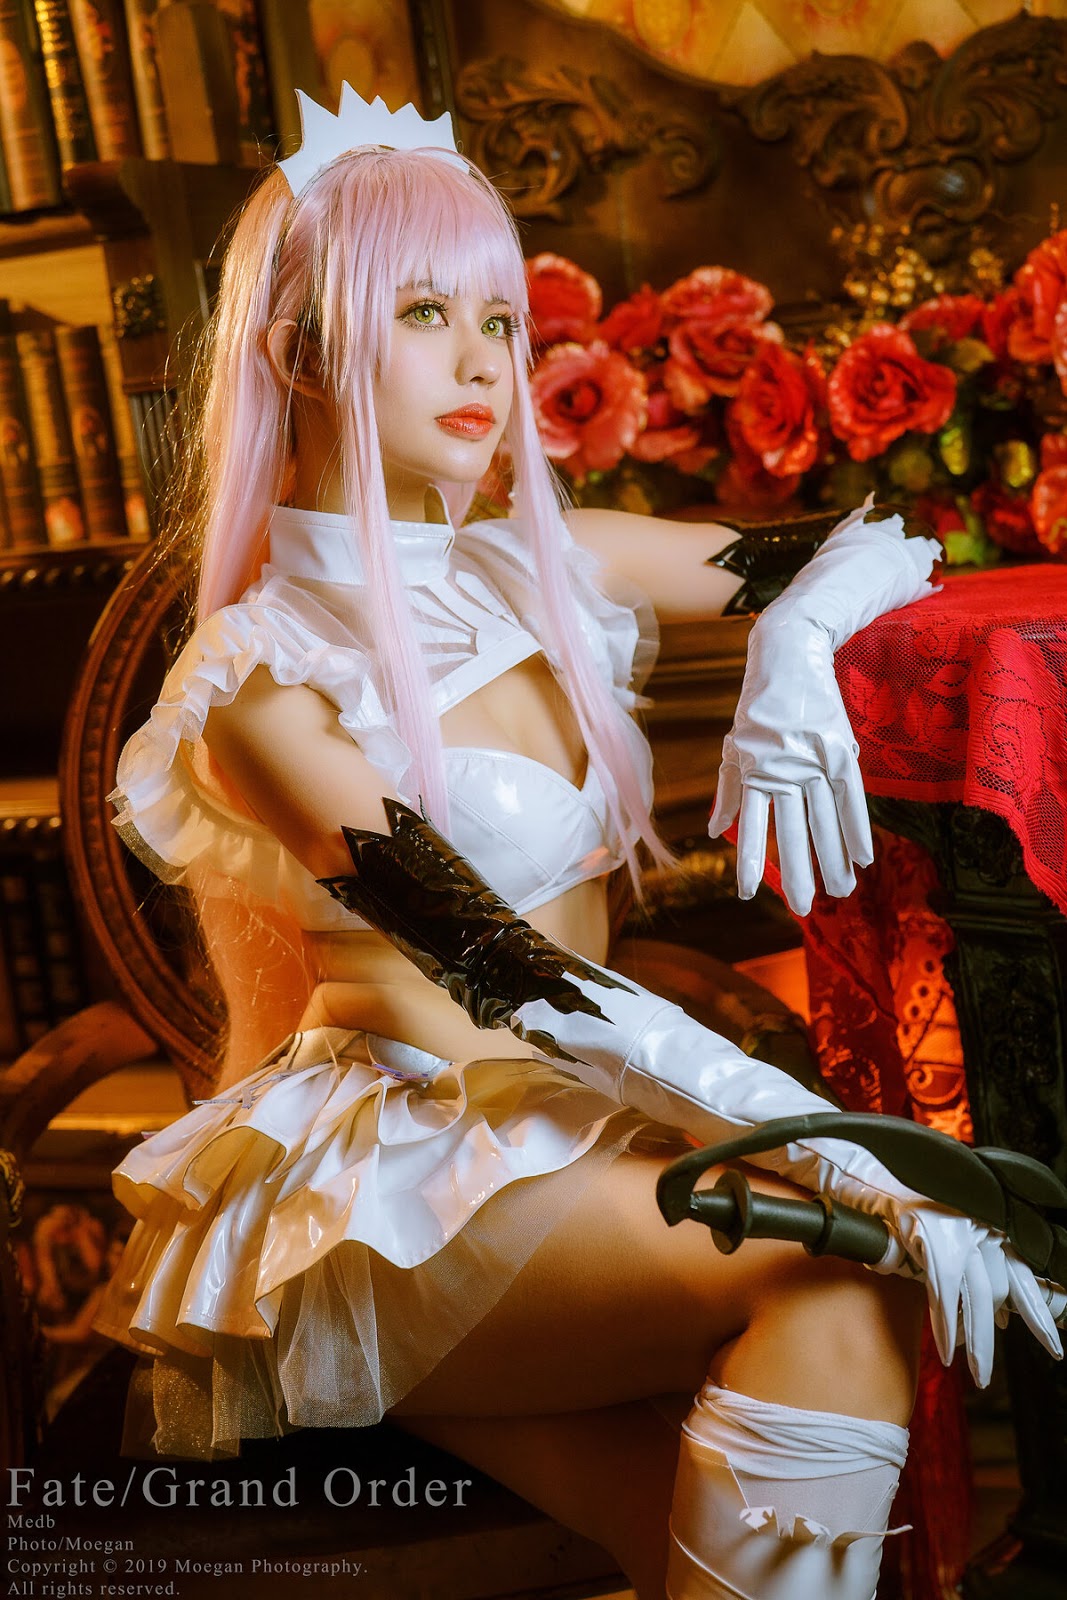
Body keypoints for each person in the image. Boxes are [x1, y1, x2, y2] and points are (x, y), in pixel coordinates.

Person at [95, 86, 1064, 1600]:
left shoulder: (550, 565)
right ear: (297, 351)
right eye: (426, 312)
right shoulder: (262, 684)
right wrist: (849, 1157)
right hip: (389, 1190)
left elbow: (877, 546)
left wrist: (793, 649)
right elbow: (506, 971)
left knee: (752, 1458)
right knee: (845, 1278)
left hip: (575, 1146)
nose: (485, 360)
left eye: (500, 316)